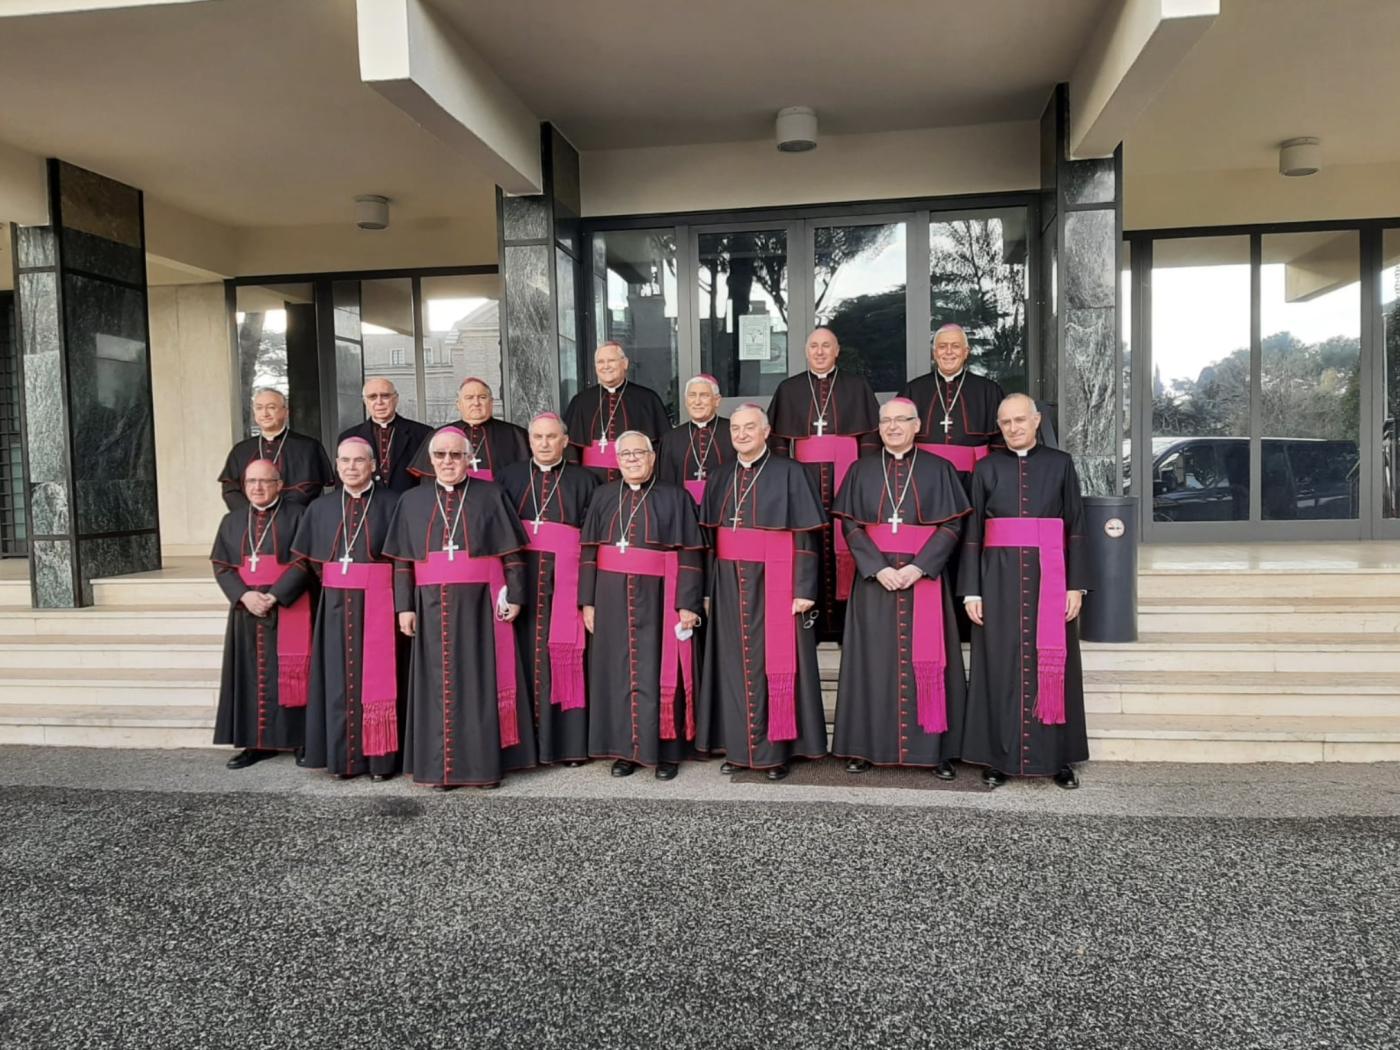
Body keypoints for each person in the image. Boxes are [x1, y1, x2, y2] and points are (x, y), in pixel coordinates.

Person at [382, 427, 537, 788]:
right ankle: (442, 768)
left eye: (456, 455)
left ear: (469, 458)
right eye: (441, 456)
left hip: (481, 606)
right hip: (431, 605)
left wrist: (515, 595)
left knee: (481, 682)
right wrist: (404, 607)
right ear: (430, 460)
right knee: (436, 686)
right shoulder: (412, 501)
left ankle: (483, 768)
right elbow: (403, 561)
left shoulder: (491, 494)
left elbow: (512, 554)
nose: (448, 462)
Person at [830, 398, 971, 777]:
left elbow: (953, 526)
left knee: (931, 662)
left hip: (922, 578)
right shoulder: (860, 470)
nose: (893, 427)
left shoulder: (939, 469)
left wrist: (920, 567)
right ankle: (863, 747)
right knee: (869, 665)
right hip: (875, 583)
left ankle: (935, 750)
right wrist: (876, 568)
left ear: (916, 424)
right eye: (886, 421)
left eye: (901, 420)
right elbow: (850, 525)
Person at [959, 394, 1090, 790]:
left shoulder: (1061, 464)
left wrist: (1076, 585)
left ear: (1035, 421)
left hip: (1049, 576)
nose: (1014, 428)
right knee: (998, 666)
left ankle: (1057, 759)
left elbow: (1077, 525)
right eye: (1006, 422)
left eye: (1020, 420)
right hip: (997, 581)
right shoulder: (985, 468)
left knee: (1053, 665)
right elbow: (971, 534)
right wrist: (971, 592)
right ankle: (997, 757)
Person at [695, 404, 829, 781]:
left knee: (777, 662)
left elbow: (805, 536)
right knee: (732, 664)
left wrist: (805, 588)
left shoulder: (791, 473)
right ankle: (739, 749)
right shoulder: (720, 476)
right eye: (735, 428)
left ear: (766, 431)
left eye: (749, 427)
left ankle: (776, 750)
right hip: (728, 582)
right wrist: (707, 590)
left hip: (777, 579)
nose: (741, 434)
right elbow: (708, 541)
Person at [578, 431, 704, 780]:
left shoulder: (675, 497)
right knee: (617, 674)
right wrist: (587, 602)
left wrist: (687, 603)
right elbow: (588, 552)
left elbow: (691, 554)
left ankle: (666, 752)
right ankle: (625, 750)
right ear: (617, 460)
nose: (633, 459)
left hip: (660, 597)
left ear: (652, 457)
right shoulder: (603, 496)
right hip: (610, 597)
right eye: (626, 454)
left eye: (639, 453)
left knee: (659, 672)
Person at [292, 437, 405, 781]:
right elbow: (311, 561)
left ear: (373, 466)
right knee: (337, 681)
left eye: (359, 461)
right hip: (336, 604)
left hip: (380, 602)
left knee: (382, 679)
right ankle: (343, 760)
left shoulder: (394, 502)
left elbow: (403, 558)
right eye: (345, 461)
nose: (351, 467)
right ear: (337, 466)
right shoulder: (321, 508)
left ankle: (381, 761)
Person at [497, 412, 599, 766]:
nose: (544, 443)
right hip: (523, 578)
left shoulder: (587, 480)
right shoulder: (509, 476)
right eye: (538, 437)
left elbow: (591, 542)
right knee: (519, 659)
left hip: (564, 581)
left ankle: (567, 746)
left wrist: (587, 594)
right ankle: (522, 745)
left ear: (565, 441)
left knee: (566, 658)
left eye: (551, 437)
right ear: (529, 440)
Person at [766, 327, 879, 641]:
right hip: (804, 483)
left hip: (848, 479)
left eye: (826, 346)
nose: (819, 352)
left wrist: (864, 482)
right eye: (813, 346)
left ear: (836, 350)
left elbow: (869, 440)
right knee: (808, 545)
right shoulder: (789, 389)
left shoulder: (856, 387)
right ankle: (811, 626)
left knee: (847, 542)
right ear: (806, 351)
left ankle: (845, 625)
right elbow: (777, 444)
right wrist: (784, 484)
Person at [210, 459, 314, 769]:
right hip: (247, 610)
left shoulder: (298, 515)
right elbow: (221, 564)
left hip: (288, 605)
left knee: (294, 672)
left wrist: (275, 595)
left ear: (279, 485)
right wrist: (244, 595)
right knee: (250, 676)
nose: (257, 487)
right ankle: (255, 743)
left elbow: (304, 560)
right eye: (251, 482)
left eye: (265, 481)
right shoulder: (232, 521)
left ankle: (298, 740)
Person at [898, 324, 1006, 486]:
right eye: (942, 347)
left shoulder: (988, 390)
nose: (948, 352)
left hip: (974, 475)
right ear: (934, 353)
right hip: (922, 475)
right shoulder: (914, 389)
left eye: (955, 346)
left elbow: (1000, 441)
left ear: (966, 352)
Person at [562, 341, 671, 481]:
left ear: (625, 363)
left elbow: (660, 448)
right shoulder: (581, 401)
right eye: (600, 362)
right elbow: (570, 449)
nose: (606, 366)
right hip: (591, 483)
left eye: (611, 360)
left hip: (635, 483)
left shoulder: (646, 399)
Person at [219, 388, 332, 509]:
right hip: (249, 521)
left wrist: (279, 511)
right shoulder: (241, 450)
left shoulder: (308, 447)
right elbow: (230, 489)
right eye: (259, 408)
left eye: (271, 407)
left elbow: (309, 487)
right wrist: (254, 512)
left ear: (286, 412)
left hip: (296, 520)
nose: (265, 413)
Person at [407, 377, 529, 483]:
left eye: (482, 397)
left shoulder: (516, 434)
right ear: (458, 404)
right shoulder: (439, 436)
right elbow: (428, 483)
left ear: (491, 403)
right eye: (469, 398)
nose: (476, 403)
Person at [336, 377, 434, 493]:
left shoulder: (422, 433)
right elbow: (342, 481)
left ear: (396, 399)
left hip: (408, 504)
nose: (379, 402)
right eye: (372, 397)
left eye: (385, 396)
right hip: (367, 505)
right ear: (365, 402)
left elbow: (429, 478)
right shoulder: (349, 437)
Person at [657, 373, 734, 504]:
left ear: (717, 400)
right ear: (686, 401)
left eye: (704, 395)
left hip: (725, 508)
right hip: (684, 511)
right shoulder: (671, 438)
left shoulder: (733, 430)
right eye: (692, 395)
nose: (697, 401)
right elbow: (665, 481)